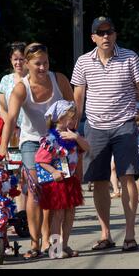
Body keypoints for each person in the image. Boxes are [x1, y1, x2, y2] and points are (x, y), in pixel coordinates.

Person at [72, 16, 139, 252]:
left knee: (128, 176)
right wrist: (71, 127)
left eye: (110, 31)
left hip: (124, 124)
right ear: (93, 37)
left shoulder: (130, 57)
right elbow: (78, 97)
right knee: (98, 180)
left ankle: (130, 234)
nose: (106, 36)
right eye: (101, 32)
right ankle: (105, 234)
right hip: (94, 126)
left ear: (115, 35)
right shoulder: (83, 62)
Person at [0, 42, 74, 259]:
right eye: (37, 64)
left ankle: (51, 241)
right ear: (27, 64)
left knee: (55, 190)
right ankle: (34, 243)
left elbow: (73, 107)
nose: (42, 68)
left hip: (58, 140)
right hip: (31, 141)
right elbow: (11, 118)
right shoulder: (21, 88)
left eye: (46, 63)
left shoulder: (58, 79)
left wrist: (71, 133)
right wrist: (3, 147)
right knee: (35, 189)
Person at [35, 100, 89, 258]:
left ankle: (65, 245)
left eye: (75, 119)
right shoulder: (50, 139)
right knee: (58, 214)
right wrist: (53, 171)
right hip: (58, 183)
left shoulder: (73, 135)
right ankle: (55, 248)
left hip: (70, 180)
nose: (73, 121)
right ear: (59, 118)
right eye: (70, 118)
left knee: (70, 212)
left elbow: (87, 148)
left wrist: (76, 137)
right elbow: (40, 160)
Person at [0, 42, 28, 214]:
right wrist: (10, 122)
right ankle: (13, 213)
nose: (18, 63)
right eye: (15, 59)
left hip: (30, 131)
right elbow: (2, 107)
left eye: (22, 59)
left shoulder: (32, 78)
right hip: (11, 133)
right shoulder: (6, 80)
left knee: (27, 174)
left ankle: (23, 214)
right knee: (12, 173)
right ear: (11, 60)